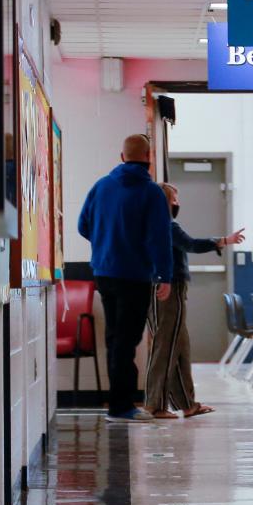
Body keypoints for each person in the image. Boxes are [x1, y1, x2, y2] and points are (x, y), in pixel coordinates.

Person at [78, 133, 173, 423]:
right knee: (127, 341)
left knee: (114, 339)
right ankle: (121, 407)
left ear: (122, 157)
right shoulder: (152, 193)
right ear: (148, 158)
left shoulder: (101, 186)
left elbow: (83, 225)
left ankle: (117, 404)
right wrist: (165, 275)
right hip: (135, 276)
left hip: (104, 273)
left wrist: (105, 242)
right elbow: (160, 238)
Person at [146, 183, 246, 420]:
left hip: (164, 288)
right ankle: (155, 405)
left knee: (179, 347)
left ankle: (187, 404)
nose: (178, 202)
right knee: (165, 348)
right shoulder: (167, 225)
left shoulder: (154, 225)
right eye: (175, 198)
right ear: (167, 201)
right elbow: (191, 244)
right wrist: (223, 240)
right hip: (168, 290)